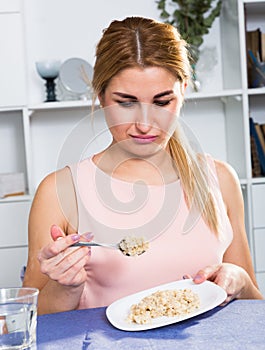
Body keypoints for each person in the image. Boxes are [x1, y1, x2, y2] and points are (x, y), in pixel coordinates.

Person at [23, 16, 263, 314]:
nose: (145, 125)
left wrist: (239, 280)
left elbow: (255, 313)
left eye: (162, 103)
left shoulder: (220, 179)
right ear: (100, 95)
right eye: (126, 102)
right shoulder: (59, 190)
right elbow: (25, 322)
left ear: (184, 90)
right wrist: (65, 287)